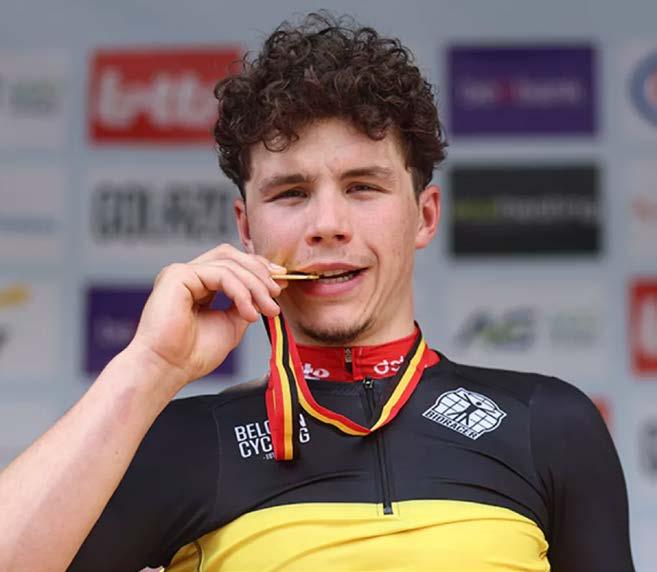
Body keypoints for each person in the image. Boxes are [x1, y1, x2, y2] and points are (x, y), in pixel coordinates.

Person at [0, 12, 634, 572]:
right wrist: (148, 367)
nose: (327, 224)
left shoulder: (546, 425)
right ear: (246, 229)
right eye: (291, 193)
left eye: (363, 187)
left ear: (424, 216)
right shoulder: (185, 443)